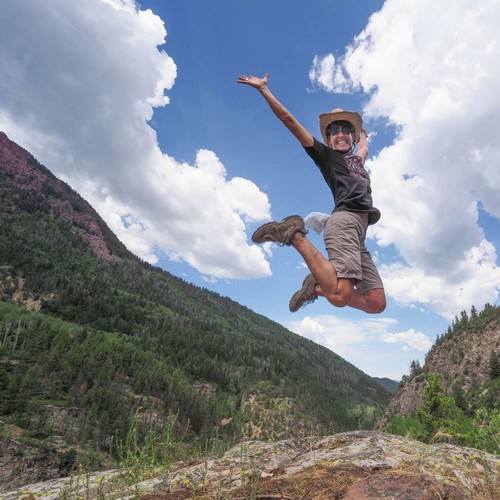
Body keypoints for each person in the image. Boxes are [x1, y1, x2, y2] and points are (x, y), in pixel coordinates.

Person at [237, 73, 386, 314]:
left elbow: (364, 147)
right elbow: (289, 120)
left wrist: (363, 133)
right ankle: (293, 233)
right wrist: (264, 89)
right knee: (339, 296)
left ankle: (314, 288)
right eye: (334, 130)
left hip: (360, 232)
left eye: (346, 130)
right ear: (328, 139)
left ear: (352, 136)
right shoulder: (327, 157)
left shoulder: (357, 161)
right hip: (344, 222)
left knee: (376, 303)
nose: (340, 134)